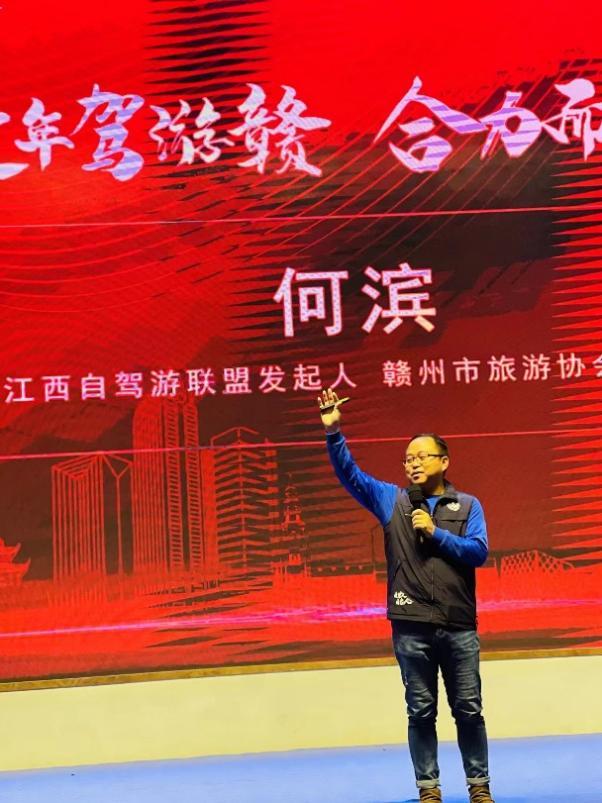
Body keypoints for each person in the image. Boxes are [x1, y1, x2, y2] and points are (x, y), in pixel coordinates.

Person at [318, 388, 495, 803]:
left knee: (469, 710)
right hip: (410, 627)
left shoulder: (467, 505)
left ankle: (479, 786)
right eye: (408, 458)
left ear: (444, 461)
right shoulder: (392, 501)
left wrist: (435, 534)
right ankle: (429, 789)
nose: (413, 463)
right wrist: (333, 433)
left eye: (422, 456)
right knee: (420, 711)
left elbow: (478, 552)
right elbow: (351, 476)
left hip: (459, 626)